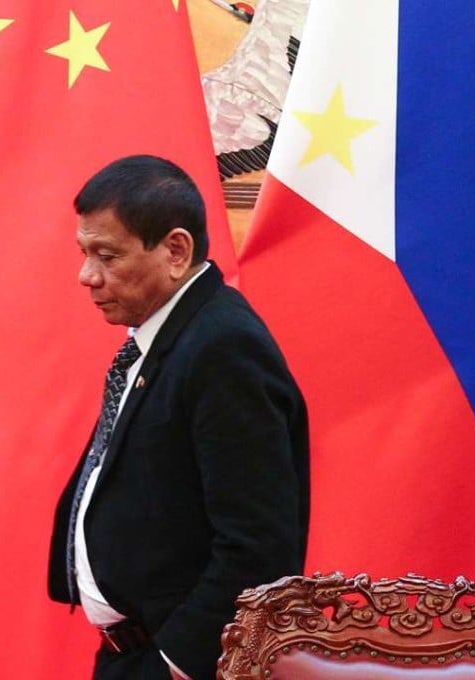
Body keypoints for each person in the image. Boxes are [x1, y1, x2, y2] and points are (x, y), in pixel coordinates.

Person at [47, 155, 309, 679]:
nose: (86, 276)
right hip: (133, 651)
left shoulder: (222, 347)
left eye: (107, 255)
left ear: (174, 250)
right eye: (84, 253)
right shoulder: (171, 333)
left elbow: (260, 543)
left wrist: (176, 663)